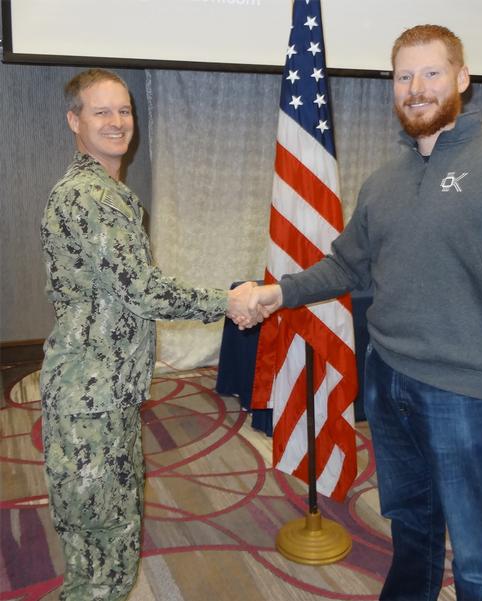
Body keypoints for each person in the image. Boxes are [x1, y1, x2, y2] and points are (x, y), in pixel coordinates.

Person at [246, 25, 482, 601]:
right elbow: (347, 265)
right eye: (404, 76)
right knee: (413, 532)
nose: (416, 88)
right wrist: (281, 293)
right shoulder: (384, 182)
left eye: (431, 73)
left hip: (467, 398)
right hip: (389, 383)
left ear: (462, 80)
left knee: (479, 553)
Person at [40, 68, 261, 600]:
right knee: (105, 546)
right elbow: (142, 289)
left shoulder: (95, 189)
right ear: (75, 120)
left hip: (99, 389)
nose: (118, 122)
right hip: (90, 394)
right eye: (102, 112)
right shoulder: (93, 196)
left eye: (125, 111)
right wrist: (226, 302)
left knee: (97, 541)